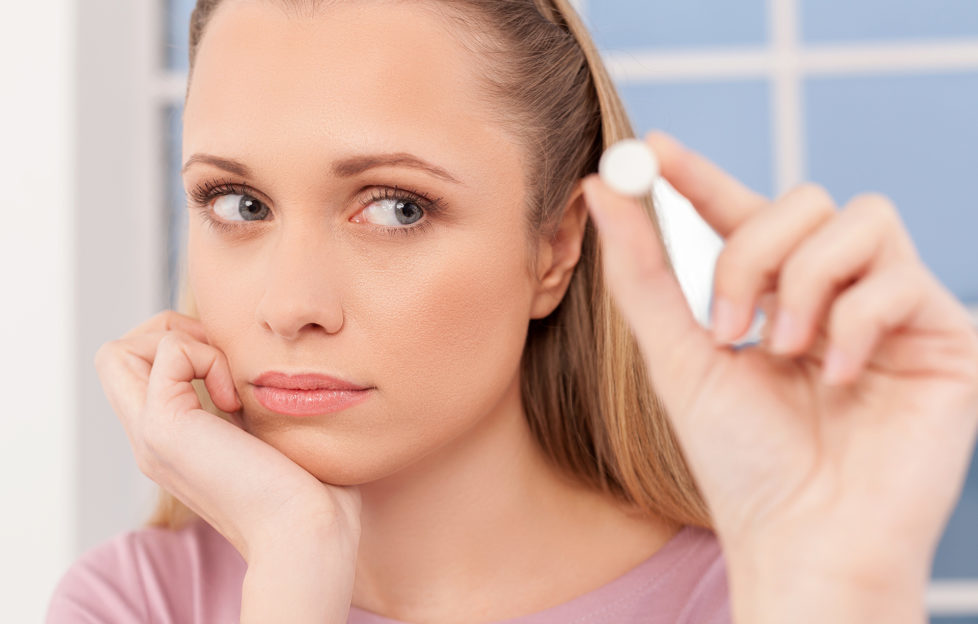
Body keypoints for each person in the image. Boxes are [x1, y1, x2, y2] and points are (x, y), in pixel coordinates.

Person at [46, 0, 978, 622]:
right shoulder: (136, 604)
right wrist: (296, 565)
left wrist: (841, 591)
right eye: (238, 204)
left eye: (396, 207)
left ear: (557, 245)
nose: (291, 307)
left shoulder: (765, 597)